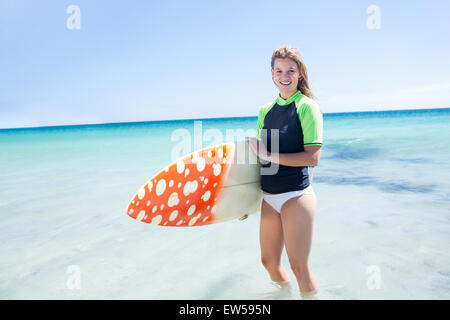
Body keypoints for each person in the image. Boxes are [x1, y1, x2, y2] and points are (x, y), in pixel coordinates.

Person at [242, 46, 323, 298]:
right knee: (269, 262)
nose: (284, 75)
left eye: (290, 70)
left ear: (299, 73)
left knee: (299, 266)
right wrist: (242, 201)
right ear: (272, 73)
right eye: (279, 70)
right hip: (268, 197)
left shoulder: (307, 107)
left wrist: (269, 155)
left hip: (296, 196)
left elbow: (313, 158)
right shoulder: (265, 110)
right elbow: (257, 161)